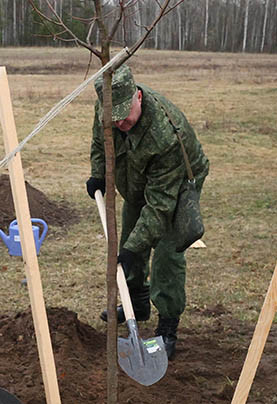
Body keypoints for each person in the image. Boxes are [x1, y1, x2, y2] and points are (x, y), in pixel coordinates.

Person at [86, 64, 209, 359]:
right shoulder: (108, 107)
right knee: (130, 236)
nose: (120, 125)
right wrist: (98, 174)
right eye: (113, 121)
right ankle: (137, 303)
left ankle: (168, 327)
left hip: (175, 185)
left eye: (125, 118)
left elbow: (160, 205)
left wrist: (132, 248)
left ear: (137, 97)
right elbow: (99, 143)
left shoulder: (166, 135)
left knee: (166, 250)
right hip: (138, 179)